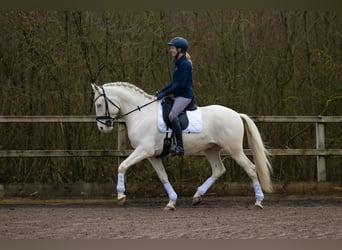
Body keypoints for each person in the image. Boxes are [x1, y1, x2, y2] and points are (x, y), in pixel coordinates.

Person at [155, 37, 194, 156]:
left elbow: (180, 84)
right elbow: (174, 83)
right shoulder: (178, 63)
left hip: (184, 96)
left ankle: (180, 147)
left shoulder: (185, 65)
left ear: (180, 50)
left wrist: (165, 93)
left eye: (172, 48)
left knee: (172, 115)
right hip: (178, 95)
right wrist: (162, 91)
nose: (170, 50)